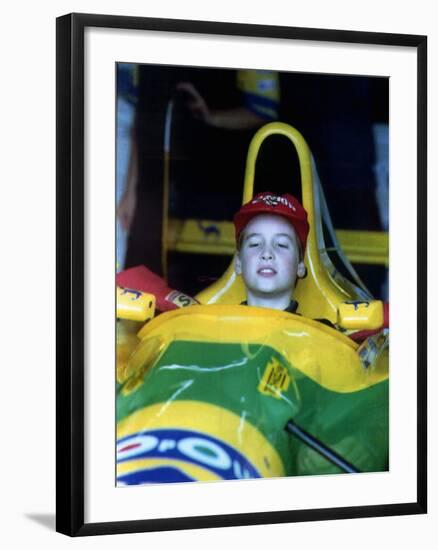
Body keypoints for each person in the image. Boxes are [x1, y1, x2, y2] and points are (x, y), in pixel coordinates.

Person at [233, 191, 309, 312]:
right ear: (238, 263)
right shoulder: (213, 329)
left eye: (281, 245)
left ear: (300, 266)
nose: (267, 254)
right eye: (255, 244)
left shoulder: (323, 330)